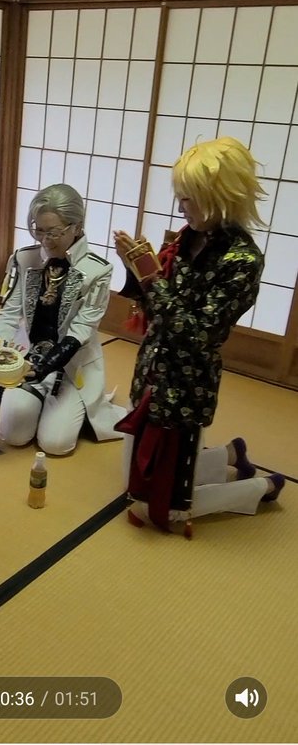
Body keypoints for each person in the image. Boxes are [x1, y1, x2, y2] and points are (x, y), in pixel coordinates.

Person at [113, 138, 284, 534]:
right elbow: (153, 304)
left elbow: (197, 333)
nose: (180, 208)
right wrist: (135, 268)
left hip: (186, 387)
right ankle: (230, 454)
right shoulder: (184, 237)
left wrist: (151, 277)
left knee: (159, 510)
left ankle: (262, 486)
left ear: (216, 198)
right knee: (133, 483)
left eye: (187, 199)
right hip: (152, 369)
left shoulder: (242, 260)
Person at [0, 184, 126, 455]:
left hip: (73, 367)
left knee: (55, 444)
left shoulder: (97, 270)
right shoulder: (24, 258)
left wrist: (49, 364)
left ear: (77, 227)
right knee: (13, 435)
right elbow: (10, 312)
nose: (46, 240)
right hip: (29, 360)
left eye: (54, 232)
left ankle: (72, 408)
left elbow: (82, 328)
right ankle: (30, 401)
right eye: (39, 230)